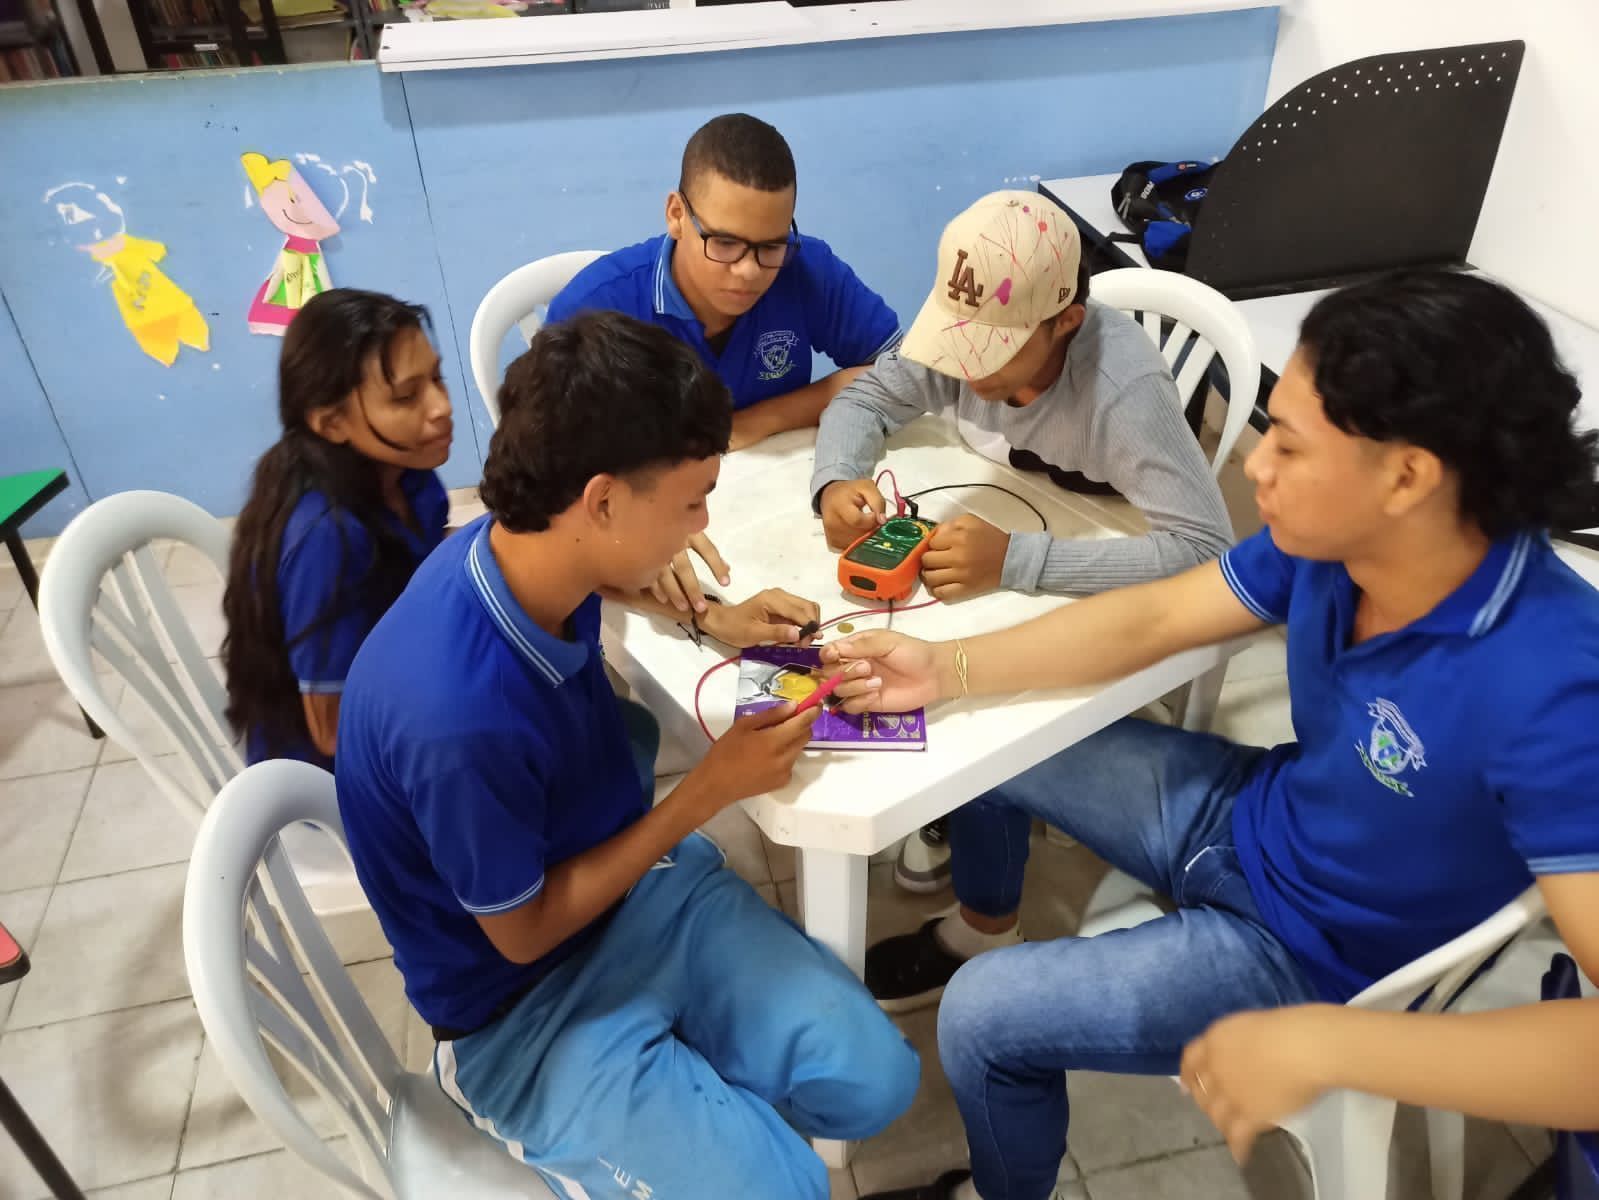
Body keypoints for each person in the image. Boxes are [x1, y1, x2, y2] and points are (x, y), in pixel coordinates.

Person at [816, 269, 1599, 1200]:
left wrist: (1336, 1038)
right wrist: (946, 671)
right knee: (992, 727)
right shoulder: (1327, 542)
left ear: (1406, 476)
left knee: (984, 1019)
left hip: (1322, 956)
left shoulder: (1552, 685)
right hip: (1253, 818)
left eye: (1290, 449)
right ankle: (986, 922)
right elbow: (1153, 621)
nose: (1254, 467)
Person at [335, 310, 919, 1200]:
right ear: (602, 501)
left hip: (643, 895)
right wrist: (706, 791)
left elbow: (608, 575)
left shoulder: (518, 550)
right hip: (519, 1009)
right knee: (786, 1189)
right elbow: (520, 931)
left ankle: (700, 1103)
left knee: (878, 1080)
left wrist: (705, 615)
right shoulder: (457, 717)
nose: (702, 524)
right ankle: (674, 1127)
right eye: (691, 501)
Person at [811, 190, 1234, 893]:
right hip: (1013, 505)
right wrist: (836, 478)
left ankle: (988, 822)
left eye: (988, 347)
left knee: (981, 699)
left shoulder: (1123, 389)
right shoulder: (964, 329)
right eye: (955, 335)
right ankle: (962, 801)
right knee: (917, 653)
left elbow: (1204, 551)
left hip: (1107, 537)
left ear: (1065, 321)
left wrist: (1018, 561)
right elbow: (863, 398)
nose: (963, 366)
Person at [547, 112, 901, 455]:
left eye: (771, 245)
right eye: (725, 243)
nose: (749, 271)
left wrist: (760, 420)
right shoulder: (593, 310)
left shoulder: (807, 267)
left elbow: (906, 374)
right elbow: (547, 469)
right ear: (676, 216)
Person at [222, 288, 454, 769]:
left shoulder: (407, 475)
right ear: (331, 424)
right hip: (342, 770)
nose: (440, 407)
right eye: (407, 396)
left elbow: (428, 558)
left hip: (403, 682)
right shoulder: (327, 538)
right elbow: (331, 733)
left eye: (437, 378)